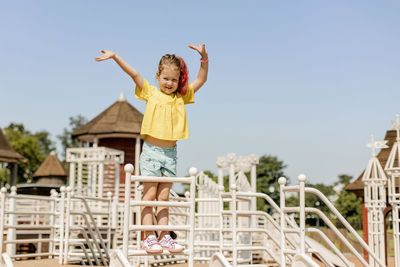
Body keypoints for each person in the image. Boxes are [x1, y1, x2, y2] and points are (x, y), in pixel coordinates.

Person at [95, 44, 208, 253]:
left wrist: (204, 59)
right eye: (166, 78)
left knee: (164, 198)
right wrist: (115, 57)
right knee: (149, 196)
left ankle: (165, 236)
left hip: (170, 154)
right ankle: (148, 236)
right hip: (151, 152)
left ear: (179, 80)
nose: (169, 83)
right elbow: (134, 73)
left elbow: (201, 80)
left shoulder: (180, 97)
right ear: (158, 76)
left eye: (174, 80)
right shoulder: (150, 92)